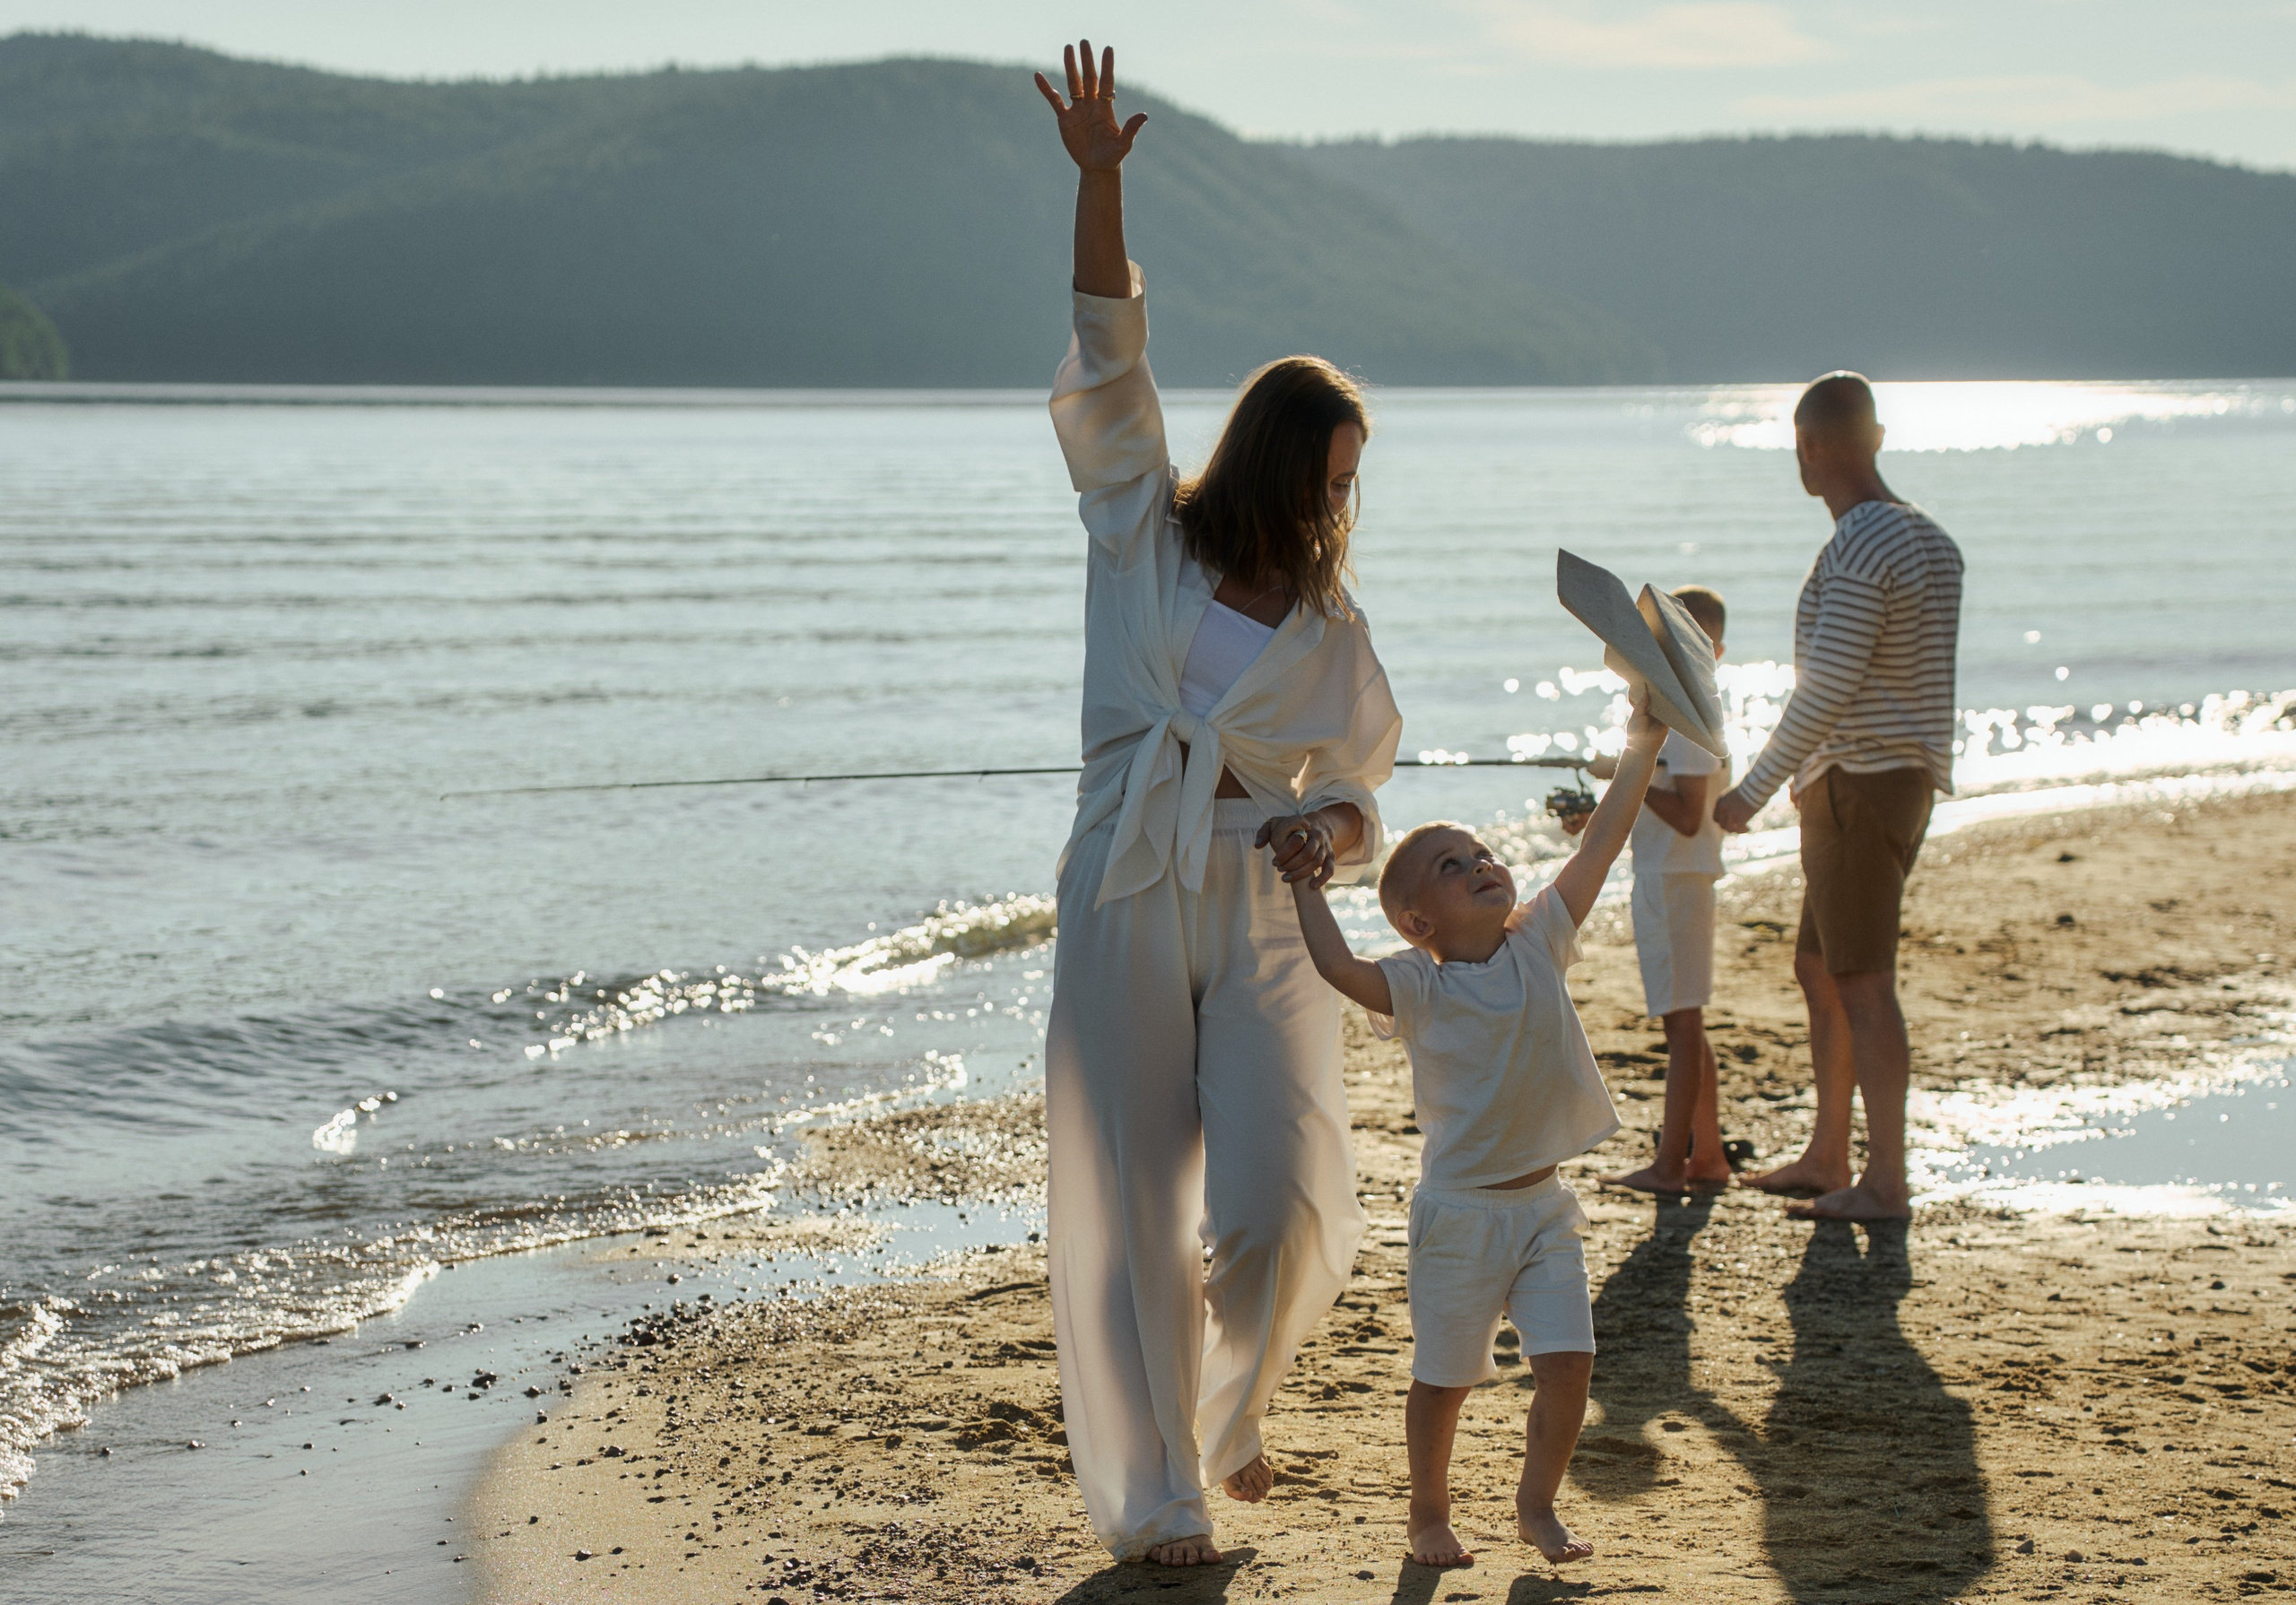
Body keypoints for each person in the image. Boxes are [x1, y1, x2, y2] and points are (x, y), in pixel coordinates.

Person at [1032, 42, 1405, 1567]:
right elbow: (1108, 350)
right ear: (1271, 458)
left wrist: (1339, 830)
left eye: (1350, 484)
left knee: (1275, 1206)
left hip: (1260, 890)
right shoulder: (1144, 531)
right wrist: (1102, 182)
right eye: (1328, 474)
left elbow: (1367, 779)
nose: (1339, 503)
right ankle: (1167, 1498)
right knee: (1129, 1203)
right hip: (1125, 877)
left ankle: (1235, 1412)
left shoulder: (1335, 634)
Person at [1283, 692, 1664, 1570]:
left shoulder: (1538, 938)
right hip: (1457, 1219)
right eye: (1455, 866)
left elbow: (1601, 840)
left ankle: (1535, 1503)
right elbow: (1339, 965)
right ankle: (1428, 1512)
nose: (1482, 864)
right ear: (1419, 922)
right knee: (1445, 1378)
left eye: (1482, 853)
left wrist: (1641, 742)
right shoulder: (1419, 984)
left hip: (1542, 1209)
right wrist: (1306, 883)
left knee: (1570, 1360)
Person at [1712, 372, 1963, 1222]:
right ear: (1878, 438)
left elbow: (1827, 687)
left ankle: (1884, 1180)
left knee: (1860, 978)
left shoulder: (1860, 546)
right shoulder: (1932, 541)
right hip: (1889, 778)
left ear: (1809, 448)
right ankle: (1828, 1154)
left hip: (1862, 781)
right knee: (1819, 966)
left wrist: (1751, 788)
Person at [1570, 586, 1733, 1195]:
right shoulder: (1684, 706)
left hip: (1676, 879)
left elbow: (1691, 813)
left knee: (1682, 1025)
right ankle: (1708, 1155)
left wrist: (1624, 772)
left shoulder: (1691, 717)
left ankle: (1671, 1165)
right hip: (1671, 875)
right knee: (1684, 1019)